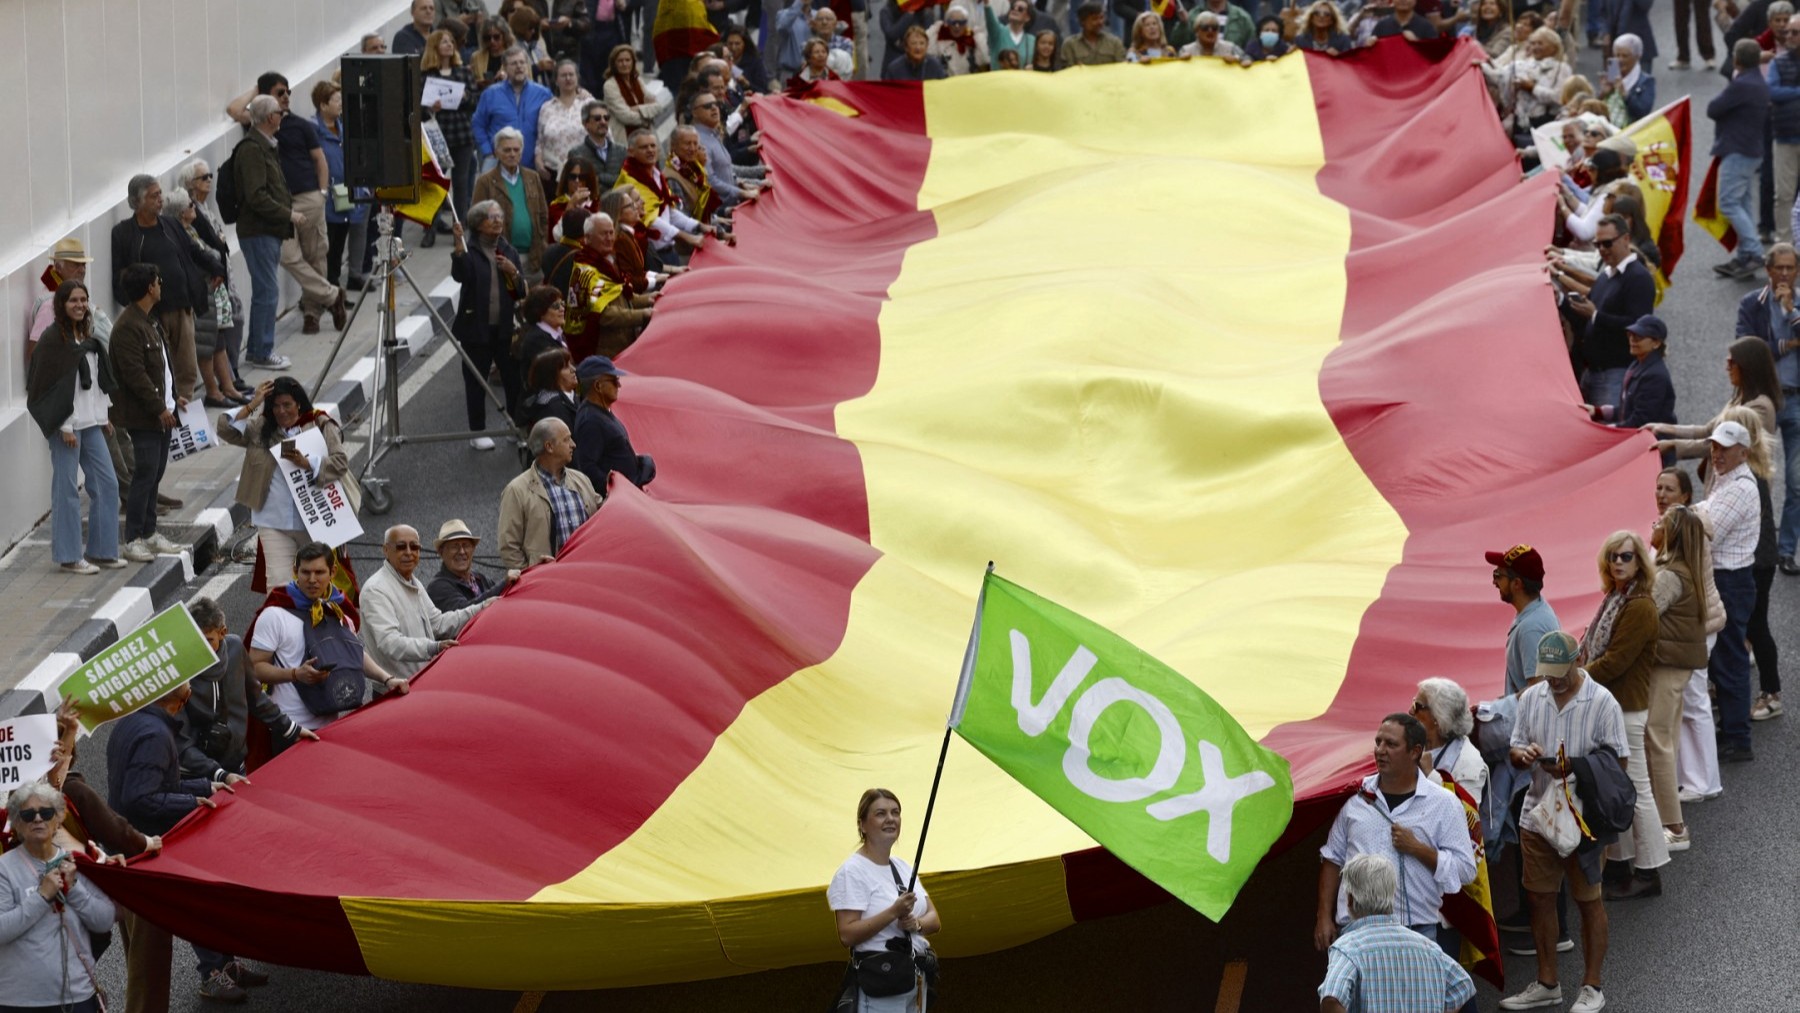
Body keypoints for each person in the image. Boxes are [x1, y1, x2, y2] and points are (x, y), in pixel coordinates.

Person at [107, 680, 259, 1004]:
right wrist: (192, 804)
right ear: (184, 696)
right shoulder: (154, 735)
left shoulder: (138, 723)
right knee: (182, 916)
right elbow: (140, 798)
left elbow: (164, 782)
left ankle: (223, 964)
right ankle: (212, 973)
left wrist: (206, 786)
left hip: (142, 843)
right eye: (187, 682)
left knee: (203, 898)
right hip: (149, 849)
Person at [1499, 631, 1625, 1013]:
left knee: (1588, 901)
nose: (1552, 680)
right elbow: (1515, 746)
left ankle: (1592, 987)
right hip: (1537, 816)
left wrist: (1576, 768)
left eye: (1559, 671)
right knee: (1539, 899)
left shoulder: (1602, 702)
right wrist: (1522, 756)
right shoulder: (1532, 698)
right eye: (1546, 673)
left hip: (1584, 822)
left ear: (1578, 659)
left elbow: (1619, 763)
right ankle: (1547, 982)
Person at [1314, 715, 1477, 961]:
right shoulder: (1356, 800)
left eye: (1391, 744)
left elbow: (1465, 870)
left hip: (1417, 934)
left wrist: (1419, 849)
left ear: (1415, 752)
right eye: (1378, 742)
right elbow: (1332, 858)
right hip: (1355, 932)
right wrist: (1323, 917)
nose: (1380, 751)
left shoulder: (1443, 804)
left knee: (1418, 1001)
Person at [1574, 530, 1668, 901]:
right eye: (1612, 555)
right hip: (1614, 706)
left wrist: (1575, 677)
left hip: (1627, 707)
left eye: (1626, 556)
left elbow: (1616, 661)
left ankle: (1649, 870)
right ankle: (1621, 862)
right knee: (1617, 788)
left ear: (1639, 561)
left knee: (1638, 790)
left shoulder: (1640, 605)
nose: (1617, 562)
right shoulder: (1616, 598)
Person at [248, 540, 409, 738]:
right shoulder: (275, 614)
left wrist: (388, 679)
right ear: (295, 571)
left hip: (333, 725)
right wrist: (295, 674)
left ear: (332, 572)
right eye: (305, 572)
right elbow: (254, 668)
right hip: (290, 729)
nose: (312, 579)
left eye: (319, 572)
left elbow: (354, 652)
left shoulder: (338, 609)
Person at [226, 74, 347, 337]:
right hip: (281, 205)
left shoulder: (301, 125)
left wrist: (322, 193)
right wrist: (256, 89)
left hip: (309, 197)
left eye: (288, 92)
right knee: (289, 256)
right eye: (280, 93)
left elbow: (320, 159)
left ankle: (312, 314)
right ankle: (332, 295)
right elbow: (234, 110)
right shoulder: (259, 124)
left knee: (315, 255)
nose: (286, 97)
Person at [25, 281, 123, 575]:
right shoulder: (53, 340)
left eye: (83, 300)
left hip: (91, 423)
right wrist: (64, 426)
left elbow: (93, 384)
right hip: (65, 427)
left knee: (107, 484)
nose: (80, 305)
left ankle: (102, 551)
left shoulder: (88, 338)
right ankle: (69, 557)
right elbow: (43, 386)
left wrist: (104, 418)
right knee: (65, 490)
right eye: (73, 301)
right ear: (61, 305)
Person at [218, 376, 352, 589]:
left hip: (314, 520)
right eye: (276, 406)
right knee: (279, 588)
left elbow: (340, 462)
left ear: (298, 403)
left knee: (316, 585)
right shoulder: (261, 429)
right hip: (274, 522)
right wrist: (253, 404)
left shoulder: (319, 424)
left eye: (287, 405)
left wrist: (308, 463)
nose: (281, 411)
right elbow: (225, 429)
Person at [0, 782, 118, 1013]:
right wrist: (42, 896)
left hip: (77, 996)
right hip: (18, 1002)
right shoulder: (4, 869)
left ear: (58, 819)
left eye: (46, 812)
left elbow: (104, 920)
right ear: (17, 823)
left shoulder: (79, 863)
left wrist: (73, 888)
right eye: (27, 814)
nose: (37, 819)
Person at [182, 596, 316, 787]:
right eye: (196, 640)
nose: (201, 648)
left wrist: (291, 729)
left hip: (235, 764)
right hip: (197, 773)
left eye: (208, 640)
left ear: (222, 632)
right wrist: (218, 774)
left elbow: (256, 698)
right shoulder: (178, 668)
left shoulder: (236, 648)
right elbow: (179, 734)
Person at [827, 789, 941, 1012]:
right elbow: (847, 934)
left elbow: (934, 919)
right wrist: (893, 912)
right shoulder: (852, 872)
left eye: (895, 812)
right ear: (862, 825)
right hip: (881, 983)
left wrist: (916, 924)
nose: (890, 819)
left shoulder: (903, 867)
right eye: (880, 813)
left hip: (913, 981)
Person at [1318, 854, 1476, 1013]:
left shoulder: (1347, 949)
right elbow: (1462, 985)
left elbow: (1332, 998)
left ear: (1350, 900)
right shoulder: (1430, 949)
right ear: (1392, 896)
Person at [1653, 468, 1726, 806]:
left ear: (1685, 495)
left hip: (1698, 627)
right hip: (1693, 627)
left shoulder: (1689, 527)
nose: (1662, 494)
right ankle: (1692, 777)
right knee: (1686, 704)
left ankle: (1704, 781)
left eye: (1669, 489)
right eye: (1658, 487)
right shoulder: (1676, 526)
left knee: (1694, 702)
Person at [109, 264, 187, 564]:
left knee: (155, 474)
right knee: (144, 474)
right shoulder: (128, 326)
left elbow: (162, 368)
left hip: (162, 412)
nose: (161, 285)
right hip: (144, 417)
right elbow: (135, 375)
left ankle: (150, 531)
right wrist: (159, 407)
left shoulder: (149, 321)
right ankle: (133, 538)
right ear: (149, 288)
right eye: (158, 281)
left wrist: (173, 396)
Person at [1644, 503, 1709, 853]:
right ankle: (1667, 818)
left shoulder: (1669, 575)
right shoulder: (1686, 568)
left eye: (1660, 522)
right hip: (1677, 666)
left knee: (1658, 741)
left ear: (1670, 534)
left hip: (1665, 667)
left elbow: (1644, 614)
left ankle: (1673, 825)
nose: (1653, 523)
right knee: (1665, 739)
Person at [1732, 243, 1800, 573]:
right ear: (1768, 270)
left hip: (1797, 400)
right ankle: (1758, 545)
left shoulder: (1797, 305)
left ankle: (1786, 550)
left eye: (1791, 268)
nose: (1785, 274)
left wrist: (1791, 313)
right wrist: (1786, 344)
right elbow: (1747, 351)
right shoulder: (1751, 304)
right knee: (1758, 475)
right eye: (1779, 268)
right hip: (1765, 402)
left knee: (1797, 480)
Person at [1697, 420, 1761, 762]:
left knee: (1729, 658)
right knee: (1725, 656)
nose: (1716, 453)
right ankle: (1733, 729)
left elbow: (1708, 531)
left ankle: (1738, 737)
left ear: (1743, 452)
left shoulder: (1739, 488)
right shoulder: (1729, 478)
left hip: (1730, 582)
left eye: (1724, 448)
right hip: (1728, 579)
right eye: (1715, 446)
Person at [110, 174, 205, 403]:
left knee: (187, 368)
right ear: (138, 202)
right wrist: (131, 302)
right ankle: (164, 413)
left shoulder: (170, 224)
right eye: (154, 196)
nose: (160, 199)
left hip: (181, 308)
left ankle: (185, 417)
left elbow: (192, 251)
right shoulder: (124, 233)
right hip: (152, 314)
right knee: (159, 367)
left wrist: (216, 266)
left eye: (160, 194)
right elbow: (120, 273)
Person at [361, 524, 499, 680]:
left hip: (419, 682)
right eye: (401, 547)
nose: (408, 552)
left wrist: (481, 607)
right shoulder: (375, 589)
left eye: (414, 547)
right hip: (393, 690)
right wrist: (433, 647)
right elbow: (389, 642)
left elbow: (438, 623)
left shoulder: (414, 583)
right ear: (386, 550)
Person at [231, 94, 299, 371]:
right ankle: (260, 351)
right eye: (279, 113)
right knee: (267, 292)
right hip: (258, 231)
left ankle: (261, 349)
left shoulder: (265, 146)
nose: (283, 115)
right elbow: (256, 195)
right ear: (270, 118)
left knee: (266, 290)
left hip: (267, 231)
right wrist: (288, 214)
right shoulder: (252, 149)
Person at [450, 202, 527, 446]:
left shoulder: (508, 250)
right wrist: (458, 247)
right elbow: (460, 275)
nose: (497, 221)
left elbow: (521, 291)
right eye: (491, 217)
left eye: (500, 216)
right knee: (476, 379)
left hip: (506, 328)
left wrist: (513, 272)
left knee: (513, 378)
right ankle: (477, 432)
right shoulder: (469, 250)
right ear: (478, 223)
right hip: (476, 328)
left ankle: (515, 424)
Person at [177, 158, 253, 401]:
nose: (209, 180)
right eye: (204, 177)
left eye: (210, 175)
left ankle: (229, 381)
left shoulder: (205, 209)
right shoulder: (190, 222)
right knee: (211, 340)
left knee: (226, 331)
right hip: (207, 288)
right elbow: (201, 251)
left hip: (221, 280)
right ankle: (218, 387)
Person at [1565, 213, 1655, 411]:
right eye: (1598, 245)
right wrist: (1562, 301)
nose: (1602, 250)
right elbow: (1588, 318)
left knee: (1607, 432)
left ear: (1625, 239)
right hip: (1593, 372)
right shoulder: (1607, 275)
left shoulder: (1639, 278)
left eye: (1607, 244)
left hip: (1615, 374)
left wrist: (1596, 315)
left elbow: (1638, 326)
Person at [1648, 335, 1781, 460]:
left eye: (1731, 362)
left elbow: (1723, 444)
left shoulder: (1759, 407)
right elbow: (1707, 430)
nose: (1727, 368)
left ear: (1747, 366)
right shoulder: (1738, 399)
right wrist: (1663, 428)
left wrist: (1673, 445)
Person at [497, 417, 601, 568]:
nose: (573, 444)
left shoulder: (581, 480)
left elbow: (603, 513)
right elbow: (509, 546)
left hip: (587, 574)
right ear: (549, 447)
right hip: (548, 585)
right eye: (566, 440)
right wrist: (531, 578)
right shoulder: (516, 491)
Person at [1709, 39, 1771, 279]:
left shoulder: (1742, 84)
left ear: (1736, 60)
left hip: (1738, 149)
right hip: (1752, 149)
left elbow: (1713, 108)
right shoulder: (1758, 81)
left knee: (1728, 203)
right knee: (1742, 201)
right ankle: (1746, 254)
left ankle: (1754, 251)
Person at [311, 80, 369, 295]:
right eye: (336, 100)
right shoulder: (314, 131)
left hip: (345, 196)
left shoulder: (343, 128)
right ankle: (325, 294)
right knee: (326, 249)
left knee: (337, 249)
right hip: (327, 198)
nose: (341, 104)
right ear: (323, 105)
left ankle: (335, 293)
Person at [423, 28, 482, 229]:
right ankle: (430, 226)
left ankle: (460, 225)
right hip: (437, 133)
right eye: (444, 42)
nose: (449, 45)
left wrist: (465, 97)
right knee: (436, 183)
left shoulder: (463, 72)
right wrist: (430, 107)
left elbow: (474, 102)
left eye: (450, 41)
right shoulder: (427, 75)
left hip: (461, 133)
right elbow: (418, 107)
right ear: (434, 48)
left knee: (461, 182)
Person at [1583, 314, 1676, 441]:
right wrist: (1597, 411)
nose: (1632, 340)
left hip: (1651, 450)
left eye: (1639, 337)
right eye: (1630, 335)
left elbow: (1641, 421)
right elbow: (1626, 409)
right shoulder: (1637, 364)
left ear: (1656, 343)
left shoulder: (1654, 376)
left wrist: (1608, 431)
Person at [1487, 545, 1562, 699]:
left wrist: (1502, 707)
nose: (1494, 582)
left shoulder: (1531, 628)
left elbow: (1538, 690)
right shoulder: (1535, 610)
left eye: (1498, 575)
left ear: (1517, 584)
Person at [572, 354, 653, 490]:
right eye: (613, 381)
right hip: (620, 501)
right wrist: (617, 490)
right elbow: (588, 468)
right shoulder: (590, 421)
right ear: (598, 386)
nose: (619, 385)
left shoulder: (600, 412)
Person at [474, 47, 556, 173]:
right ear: (505, 68)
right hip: (497, 161)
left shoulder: (543, 93)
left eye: (522, 62)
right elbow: (478, 124)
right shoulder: (490, 94)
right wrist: (487, 151)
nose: (519, 67)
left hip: (531, 164)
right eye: (513, 63)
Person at [1412, 678, 1487, 816]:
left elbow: (1467, 815)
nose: (1411, 711)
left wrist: (1430, 775)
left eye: (1417, 706)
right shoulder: (1414, 742)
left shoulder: (1469, 762)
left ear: (1437, 717)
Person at [538, 59, 598, 177]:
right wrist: (538, 162)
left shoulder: (589, 103)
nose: (568, 78)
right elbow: (540, 142)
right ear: (556, 80)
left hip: (586, 170)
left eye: (571, 75)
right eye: (563, 75)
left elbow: (605, 135)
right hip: (553, 172)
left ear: (577, 78)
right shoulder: (547, 107)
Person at [603, 45, 666, 144]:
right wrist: (647, 118)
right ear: (614, 64)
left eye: (627, 60)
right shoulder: (610, 86)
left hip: (646, 134)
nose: (624, 64)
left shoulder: (638, 80)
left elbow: (658, 107)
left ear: (633, 62)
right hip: (625, 137)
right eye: (620, 61)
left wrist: (638, 108)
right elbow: (625, 116)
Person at [565, 100, 627, 191]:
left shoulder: (622, 151)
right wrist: (614, 180)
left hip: (620, 202)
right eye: (597, 118)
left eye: (606, 118)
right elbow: (583, 184)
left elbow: (628, 180)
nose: (603, 122)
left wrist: (600, 177)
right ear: (586, 124)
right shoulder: (576, 154)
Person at [518, 348, 580, 433]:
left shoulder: (570, 397)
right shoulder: (554, 408)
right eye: (566, 367)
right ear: (551, 375)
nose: (573, 369)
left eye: (571, 364)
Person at [1599, 34, 1655, 125]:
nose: (1620, 60)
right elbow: (1595, 107)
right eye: (1617, 55)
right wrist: (1602, 94)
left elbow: (1643, 112)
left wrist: (1626, 95)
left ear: (1637, 57)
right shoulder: (1612, 73)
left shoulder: (1646, 81)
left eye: (1625, 56)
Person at [1059, 2, 1126, 64]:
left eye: (1101, 18)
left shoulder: (1114, 43)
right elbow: (1067, 71)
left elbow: (1122, 67)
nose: (1100, 22)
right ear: (1082, 21)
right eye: (1094, 19)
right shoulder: (1070, 45)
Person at [1180, 10, 1247, 57]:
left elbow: (1246, 58)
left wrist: (1237, 59)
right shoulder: (1186, 50)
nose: (1210, 31)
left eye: (1214, 27)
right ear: (1197, 31)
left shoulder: (1230, 49)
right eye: (1205, 27)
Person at [1373, 0, 1441, 39]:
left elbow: (1434, 56)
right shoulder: (1381, 26)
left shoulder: (1427, 27)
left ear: (1415, 1)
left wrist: (1417, 43)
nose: (1403, 0)